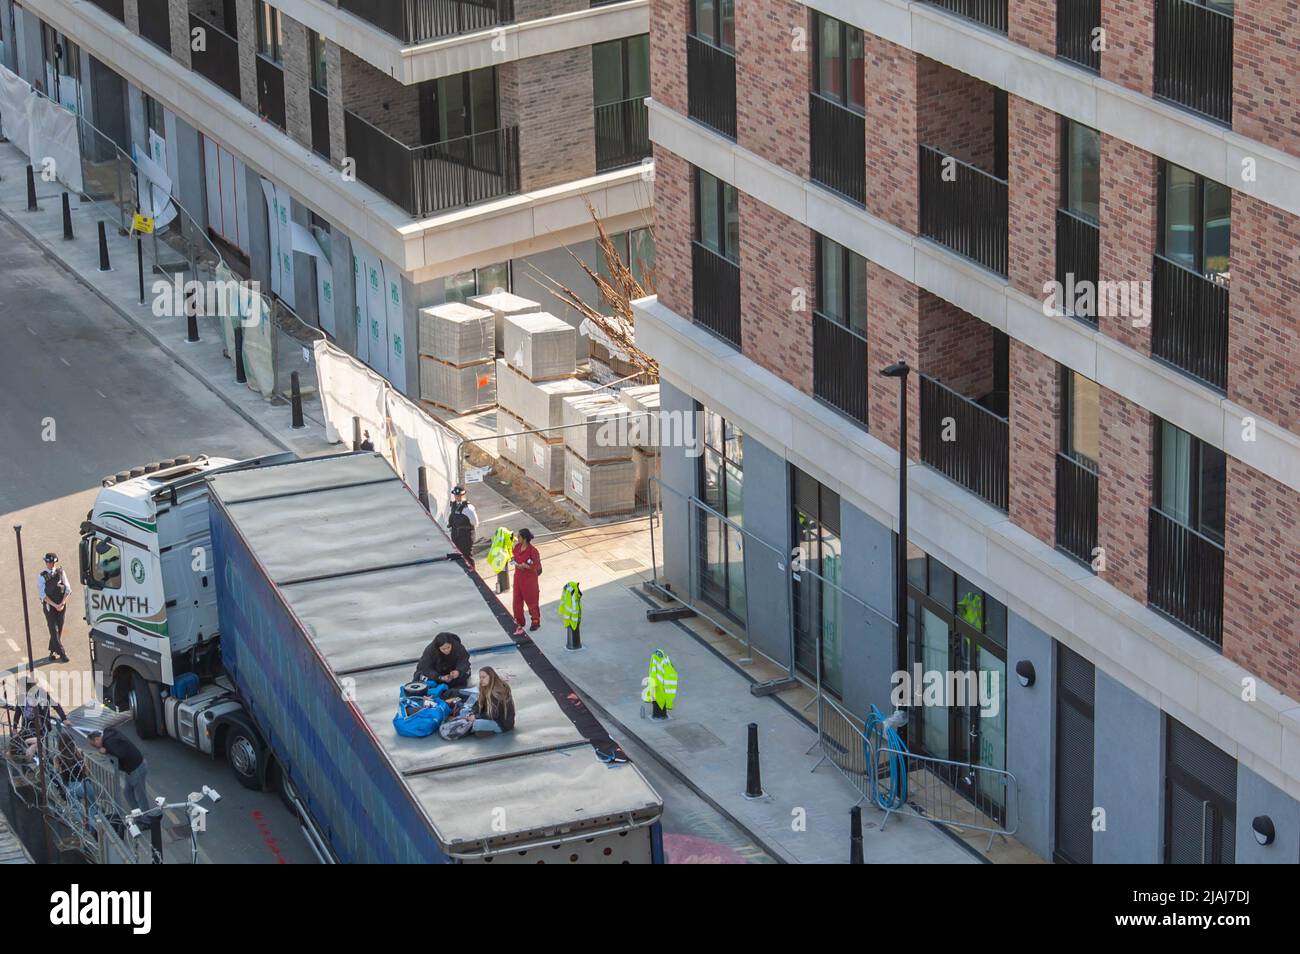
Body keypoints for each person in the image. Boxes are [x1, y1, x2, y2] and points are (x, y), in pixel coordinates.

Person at [88, 727, 151, 817]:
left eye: (94, 745)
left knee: (140, 796)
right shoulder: (108, 735)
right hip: (132, 768)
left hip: (136, 768)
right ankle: (137, 814)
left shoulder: (109, 743)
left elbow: (120, 754)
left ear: (97, 740)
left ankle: (146, 818)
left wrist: (106, 751)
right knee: (127, 793)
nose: (96, 748)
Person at [38, 552, 72, 662]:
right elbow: (43, 595)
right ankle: (62, 654)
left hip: (61, 604)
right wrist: (55, 605)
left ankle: (52, 651)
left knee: (59, 628)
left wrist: (62, 603)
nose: (49, 564)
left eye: (51, 562)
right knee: (54, 629)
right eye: (47, 562)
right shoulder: (42, 576)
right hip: (50, 606)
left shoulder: (61, 572)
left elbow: (67, 589)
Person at [464, 666, 515, 735]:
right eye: (480, 677)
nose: (481, 680)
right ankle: (482, 729)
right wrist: (473, 712)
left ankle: (483, 729)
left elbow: (493, 715)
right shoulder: (485, 688)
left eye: (484, 677)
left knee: (476, 724)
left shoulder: (498, 691)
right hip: (490, 717)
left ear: (491, 677)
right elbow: (479, 703)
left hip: (501, 723)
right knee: (465, 712)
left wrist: (476, 717)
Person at [510, 528, 542, 635]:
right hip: (518, 579)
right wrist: (514, 562)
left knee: (532, 601)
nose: (517, 538)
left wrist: (527, 566)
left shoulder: (533, 551)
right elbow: (513, 558)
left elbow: (537, 566)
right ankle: (519, 621)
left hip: (529, 581)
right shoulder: (517, 547)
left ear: (524, 538)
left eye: (518, 536)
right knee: (517, 601)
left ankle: (535, 621)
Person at [447, 486, 479, 568]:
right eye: (456, 495)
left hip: (465, 536)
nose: (457, 497)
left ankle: (472, 574)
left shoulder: (468, 508)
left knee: (467, 556)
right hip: (456, 535)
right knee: (459, 555)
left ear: (463, 495)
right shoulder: (454, 505)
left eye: (459, 495)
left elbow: (475, 523)